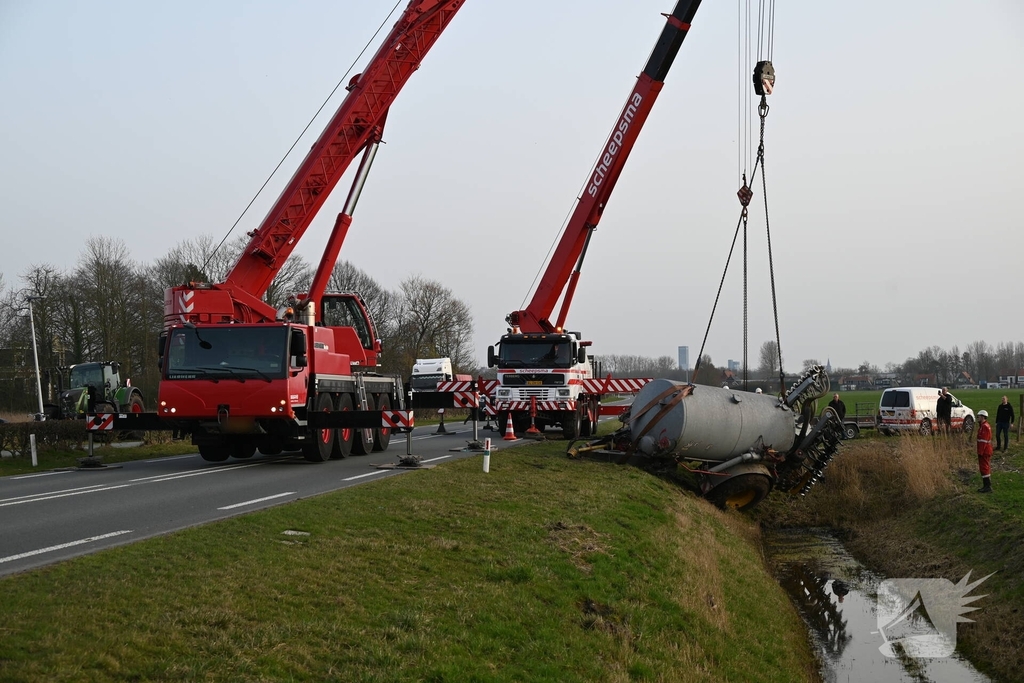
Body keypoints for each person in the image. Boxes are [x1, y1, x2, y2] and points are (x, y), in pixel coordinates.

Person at [976, 409, 993, 493]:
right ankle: (987, 485)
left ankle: (987, 486)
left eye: (978, 416)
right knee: (985, 467)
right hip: (985, 450)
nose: (977, 418)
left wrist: (980, 452)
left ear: (982, 417)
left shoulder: (984, 427)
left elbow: (983, 441)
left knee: (984, 468)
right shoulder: (984, 426)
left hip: (984, 451)